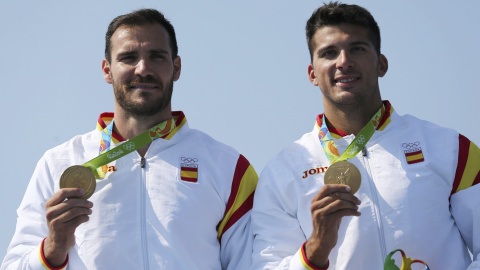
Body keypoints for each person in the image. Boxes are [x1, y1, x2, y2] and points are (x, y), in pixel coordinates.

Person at [2, 9, 257, 270]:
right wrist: (53, 249)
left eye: (156, 57)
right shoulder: (58, 163)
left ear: (176, 67)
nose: (143, 69)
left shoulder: (229, 167)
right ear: (107, 70)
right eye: (128, 58)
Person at [251, 2, 480, 269]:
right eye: (329, 53)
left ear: (381, 64)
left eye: (357, 49)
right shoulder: (282, 172)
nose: (344, 62)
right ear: (313, 74)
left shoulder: (451, 148)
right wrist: (314, 251)